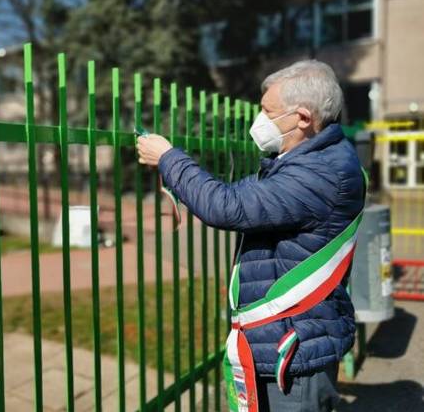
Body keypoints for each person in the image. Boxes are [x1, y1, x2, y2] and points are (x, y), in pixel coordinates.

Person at [136, 60, 366, 412]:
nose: (259, 119)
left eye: (267, 111)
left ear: (302, 118)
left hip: (293, 351)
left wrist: (168, 157)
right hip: (290, 336)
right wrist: (183, 180)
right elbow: (237, 195)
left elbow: (225, 207)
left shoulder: (320, 173)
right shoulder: (306, 160)